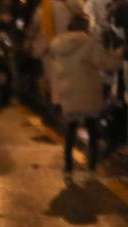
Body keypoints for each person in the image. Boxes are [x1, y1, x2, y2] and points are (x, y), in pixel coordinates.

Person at [49, 14, 123, 179]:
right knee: (92, 130)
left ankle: (68, 167)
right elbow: (106, 63)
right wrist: (119, 58)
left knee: (70, 131)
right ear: (85, 26)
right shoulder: (89, 44)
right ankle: (91, 168)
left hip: (68, 93)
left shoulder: (58, 45)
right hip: (87, 94)